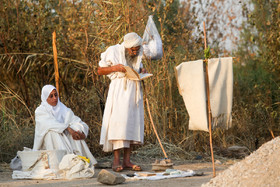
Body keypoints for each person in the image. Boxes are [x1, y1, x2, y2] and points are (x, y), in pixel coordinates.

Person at [98, 32, 147, 172]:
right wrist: (115, 68)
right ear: (127, 47)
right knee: (119, 125)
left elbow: (137, 68)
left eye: (137, 50)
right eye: (132, 50)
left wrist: (142, 70)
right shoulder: (113, 51)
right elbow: (100, 70)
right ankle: (116, 161)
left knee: (131, 125)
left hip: (134, 92)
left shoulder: (136, 54)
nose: (134, 52)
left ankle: (127, 161)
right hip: (119, 92)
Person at [33, 84, 97, 165]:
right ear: (45, 98)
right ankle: (59, 162)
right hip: (48, 145)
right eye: (51, 96)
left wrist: (81, 132)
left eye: (56, 95)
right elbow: (50, 124)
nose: (55, 98)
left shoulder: (62, 108)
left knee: (75, 128)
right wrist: (68, 128)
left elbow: (76, 120)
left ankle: (76, 161)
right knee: (52, 132)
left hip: (65, 140)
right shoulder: (40, 111)